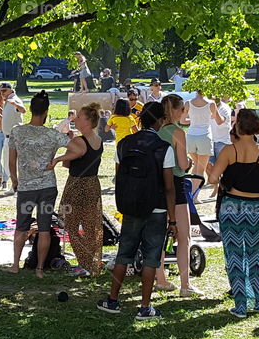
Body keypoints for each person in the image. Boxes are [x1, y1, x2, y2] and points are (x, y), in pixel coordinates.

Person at [95, 102, 175, 320]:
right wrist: (173, 220)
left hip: (130, 207)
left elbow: (119, 177)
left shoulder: (124, 144)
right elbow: (169, 187)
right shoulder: (164, 147)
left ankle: (112, 300)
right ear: (160, 121)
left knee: (124, 254)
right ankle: (145, 307)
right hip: (156, 208)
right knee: (151, 258)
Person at [209, 109, 259, 318]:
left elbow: (213, 179)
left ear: (238, 127)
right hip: (255, 208)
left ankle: (240, 304)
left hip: (231, 206)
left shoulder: (229, 151)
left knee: (234, 255)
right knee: (257, 254)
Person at [7, 91, 70, 277]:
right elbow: (78, 147)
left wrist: (14, 179)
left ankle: (15, 265)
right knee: (44, 229)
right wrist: (59, 159)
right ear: (46, 112)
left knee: (21, 226)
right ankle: (40, 268)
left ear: (31, 110)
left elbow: (12, 161)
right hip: (47, 186)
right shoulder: (52, 134)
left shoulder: (17, 131)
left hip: (26, 187)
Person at [157, 95, 204, 296]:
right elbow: (182, 165)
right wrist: (190, 164)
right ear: (178, 111)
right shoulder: (178, 132)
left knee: (158, 235)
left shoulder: (157, 131)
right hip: (175, 185)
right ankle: (185, 284)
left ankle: (161, 279)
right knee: (183, 237)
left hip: (157, 185)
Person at [49, 102, 103, 277]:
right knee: (90, 227)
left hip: (77, 184)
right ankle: (92, 263)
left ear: (87, 121)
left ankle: (85, 263)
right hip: (93, 184)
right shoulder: (98, 140)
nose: (75, 119)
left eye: (79, 117)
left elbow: (69, 162)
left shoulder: (79, 140)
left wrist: (59, 158)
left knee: (72, 226)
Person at [185, 88, 224, 201]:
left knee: (196, 165)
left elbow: (182, 120)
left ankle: (190, 193)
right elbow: (216, 119)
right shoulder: (211, 103)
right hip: (204, 136)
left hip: (191, 136)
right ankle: (195, 196)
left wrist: (193, 120)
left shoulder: (188, 103)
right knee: (200, 169)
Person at [0, 82, 25, 194]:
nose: (2, 93)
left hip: (15, 138)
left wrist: (16, 105)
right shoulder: (7, 101)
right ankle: (14, 186)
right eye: (1, 91)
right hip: (8, 137)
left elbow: (23, 109)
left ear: (11, 90)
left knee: (15, 163)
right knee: (7, 163)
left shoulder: (15, 99)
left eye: (4, 90)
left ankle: (19, 188)